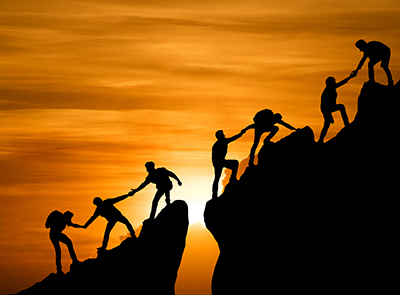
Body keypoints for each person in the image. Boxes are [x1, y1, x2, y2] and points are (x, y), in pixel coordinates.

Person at [318, 73, 356, 143]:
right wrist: (329, 115)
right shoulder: (328, 90)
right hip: (326, 108)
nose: (335, 83)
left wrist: (350, 77)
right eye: (333, 81)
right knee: (327, 123)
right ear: (330, 83)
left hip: (328, 107)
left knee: (328, 123)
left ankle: (321, 139)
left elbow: (341, 83)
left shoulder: (331, 88)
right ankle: (321, 139)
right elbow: (323, 105)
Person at [45, 210, 83, 275]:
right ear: (66, 216)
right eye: (70, 217)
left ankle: (74, 260)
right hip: (53, 235)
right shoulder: (59, 218)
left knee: (69, 243)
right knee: (58, 252)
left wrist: (82, 226)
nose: (70, 219)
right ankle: (59, 270)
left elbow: (73, 225)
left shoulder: (65, 220)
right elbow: (48, 225)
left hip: (58, 234)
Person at [212, 129, 246, 198]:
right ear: (220, 136)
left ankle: (214, 196)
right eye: (222, 134)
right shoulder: (222, 142)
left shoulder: (217, 143)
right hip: (219, 162)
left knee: (216, 179)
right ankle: (232, 179)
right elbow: (233, 138)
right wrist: (241, 133)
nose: (224, 135)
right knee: (235, 163)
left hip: (218, 162)